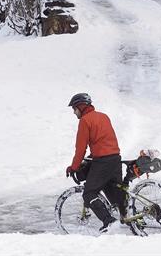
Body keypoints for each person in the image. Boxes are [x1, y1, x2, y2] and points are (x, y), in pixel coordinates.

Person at [65, 92, 125, 233]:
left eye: (74, 109)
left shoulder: (85, 121)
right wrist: (92, 156)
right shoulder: (104, 116)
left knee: (89, 193)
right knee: (115, 194)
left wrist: (74, 167)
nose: (74, 112)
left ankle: (109, 222)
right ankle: (129, 218)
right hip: (116, 159)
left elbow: (80, 149)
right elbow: (105, 141)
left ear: (81, 106)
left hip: (103, 162)